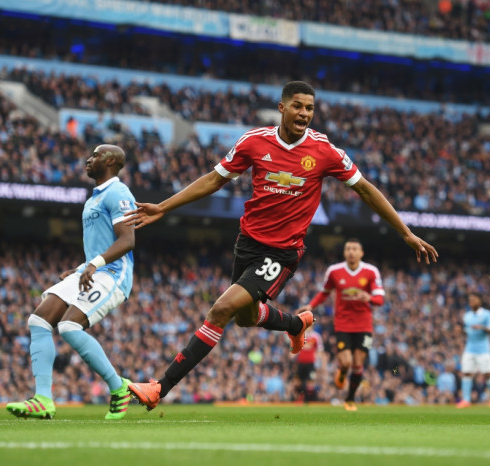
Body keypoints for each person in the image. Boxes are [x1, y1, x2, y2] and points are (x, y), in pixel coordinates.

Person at [124, 81, 438, 410]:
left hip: (282, 252)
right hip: (247, 244)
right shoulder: (254, 142)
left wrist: (405, 232)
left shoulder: (324, 151)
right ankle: (294, 323)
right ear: (282, 107)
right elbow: (215, 179)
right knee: (244, 318)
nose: (304, 113)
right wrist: (164, 206)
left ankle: (160, 386)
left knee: (220, 310)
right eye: (298, 106)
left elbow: (366, 189)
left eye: (310, 108)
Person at [6, 144, 136, 420]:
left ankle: (118, 387)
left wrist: (92, 265)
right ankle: (43, 399)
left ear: (110, 160)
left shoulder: (119, 192)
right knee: (39, 320)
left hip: (113, 274)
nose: (88, 160)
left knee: (68, 326)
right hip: (90, 270)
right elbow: (99, 245)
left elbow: (128, 240)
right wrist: (80, 268)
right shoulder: (93, 199)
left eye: (95, 155)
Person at [295, 238, 384, 411]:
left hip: (364, 325)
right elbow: (324, 292)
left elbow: (380, 299)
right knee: (346, 362)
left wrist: (370, 298)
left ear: (361, 253)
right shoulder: (334, 271)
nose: (351, 252)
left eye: (354, 249)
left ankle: (350, 399)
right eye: (348, 249)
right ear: (344, 252)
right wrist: (311, 305)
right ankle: (342, 370)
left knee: (358, 363)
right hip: (343, 324)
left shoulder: (371, 272)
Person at [455, 291, 490, 409]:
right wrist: (461, 332)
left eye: (474, 299)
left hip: (483, 349)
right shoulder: (467, 316)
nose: (471, 302)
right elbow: (468, 332)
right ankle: (466, 400)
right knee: (466, 373)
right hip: (469, 348)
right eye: (470, 300)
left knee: (488, 374)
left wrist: (482, 327)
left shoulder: (487, 314)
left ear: (479, 300)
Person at [293, 328, 324, 403]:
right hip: (300, 362)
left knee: (310, 381)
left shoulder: (316, 336)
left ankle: (309, 399)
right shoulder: (300, 335)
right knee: (298, 381)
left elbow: (320, 349)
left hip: (311, 363)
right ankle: (301, 397)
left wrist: (320, 362)